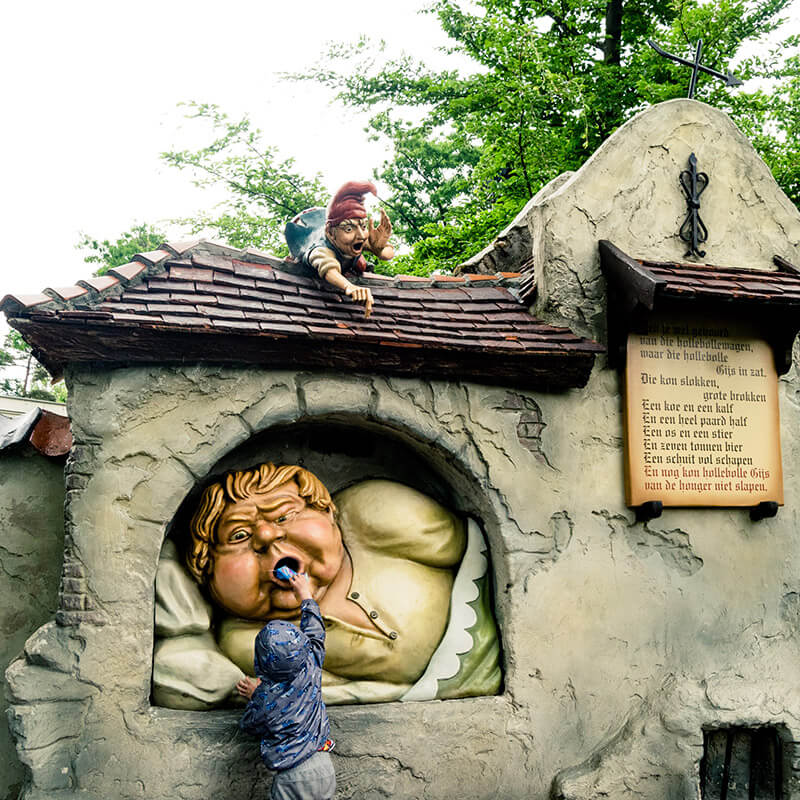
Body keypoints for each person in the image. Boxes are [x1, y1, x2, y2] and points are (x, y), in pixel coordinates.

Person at [237, 570, 336, 800]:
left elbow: (250, 725)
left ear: (260, 661)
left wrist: (255, 695)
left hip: (292, 774)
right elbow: (315, 630)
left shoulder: (266, 698)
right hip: (323, 766)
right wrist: (304, 593)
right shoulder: (311, 664)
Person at [284, 181, 395, 317]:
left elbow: (388, 253)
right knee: (355, 263)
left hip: (338, 243)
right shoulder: (320, 248)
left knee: (360, 264)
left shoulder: (358, 237)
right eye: (349, 229)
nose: (360, 234)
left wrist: (378, 249)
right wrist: (349, 286)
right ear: (331, 232)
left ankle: (353, 259)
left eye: (363, 226)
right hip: (306, 230)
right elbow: (328, 267)